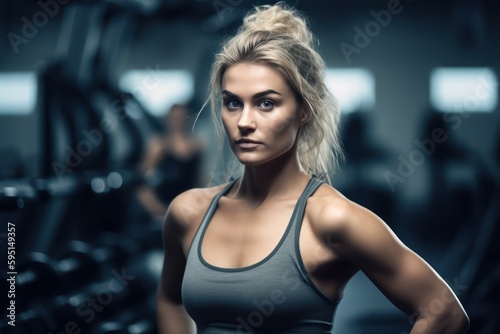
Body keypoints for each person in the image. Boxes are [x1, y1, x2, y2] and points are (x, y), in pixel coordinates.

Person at [156, 3, 469, 333]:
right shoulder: (187, 212)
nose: (244, 122)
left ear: (304, 110)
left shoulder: (332, 219)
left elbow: (443, 313)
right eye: (233, 102)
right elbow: (170, 300)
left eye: (266, 103)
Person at [137, 103, 204, 219]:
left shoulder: (196, 147)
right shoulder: (159, 145)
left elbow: (198, 182)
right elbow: (141, 185)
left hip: (188, 212)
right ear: (168, 119)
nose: (177, 121)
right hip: (163, 212)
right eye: (175, 118)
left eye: (181, 117)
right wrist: (158, 210)